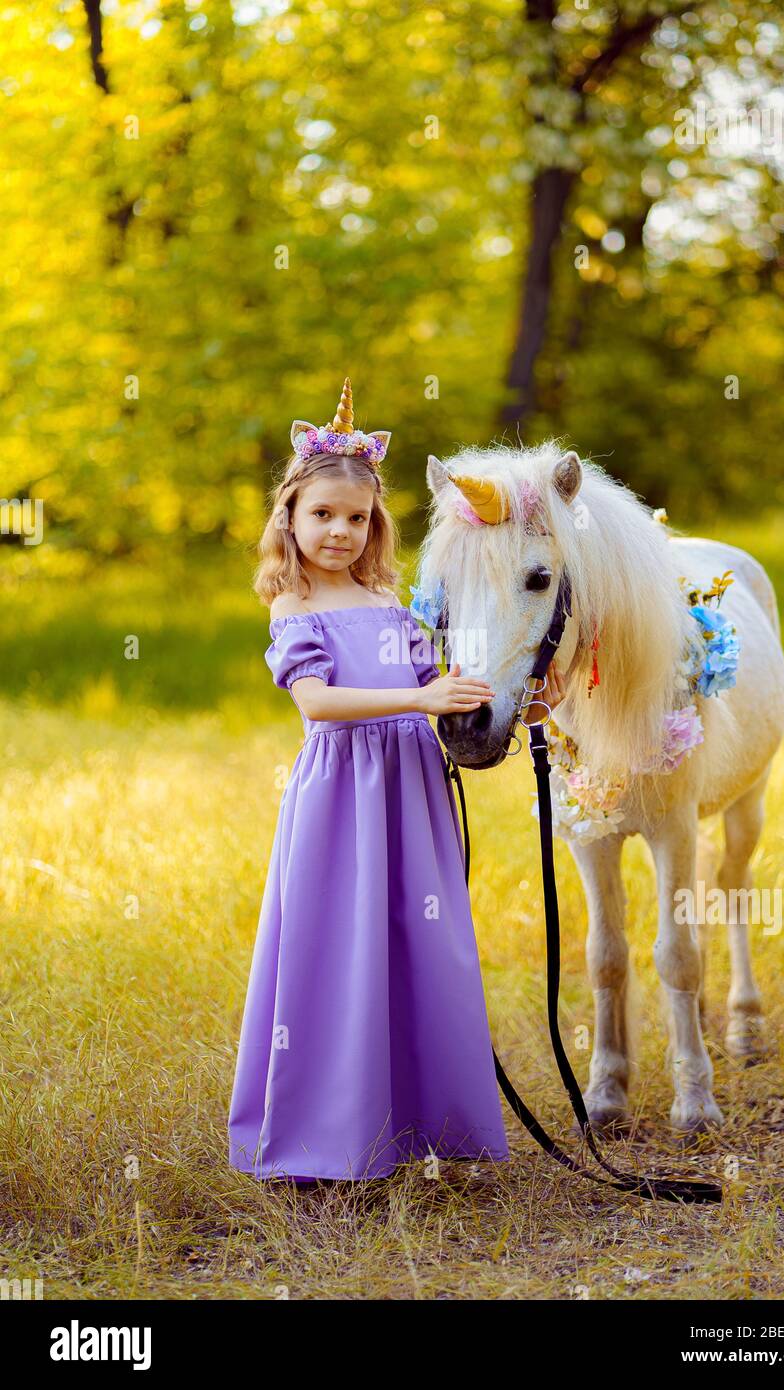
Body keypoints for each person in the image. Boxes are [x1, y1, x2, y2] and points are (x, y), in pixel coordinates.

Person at [228, 379, 512, 1183]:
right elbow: (318, 704)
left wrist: (497, 697)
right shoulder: (293, 603)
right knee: (339, 950)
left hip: (410, 790)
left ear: (375, 525)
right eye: (322, 515)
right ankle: (327, 1139)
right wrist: (417, 697)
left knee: (423, 945)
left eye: (357, 518)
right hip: (341, 796)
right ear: (290, 517)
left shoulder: (388, 599)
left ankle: (427, 1127)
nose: (340, 531)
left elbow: (440, 677)